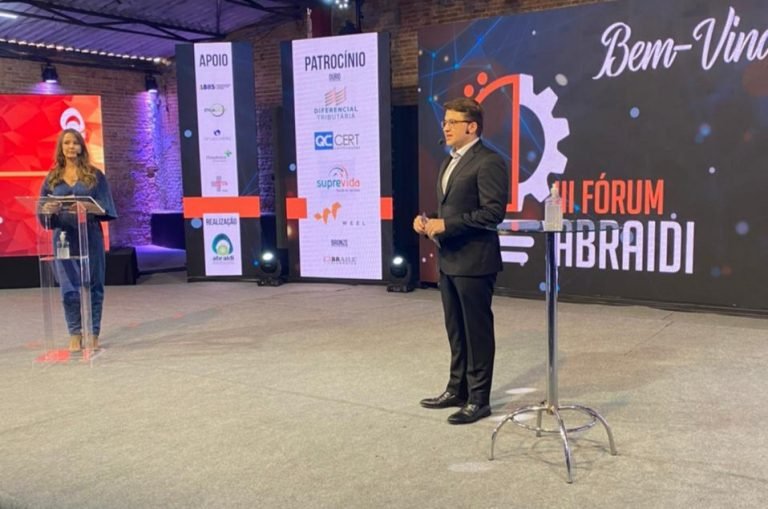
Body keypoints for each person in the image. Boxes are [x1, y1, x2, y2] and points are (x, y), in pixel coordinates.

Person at [413, 97, 508, 425]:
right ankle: (457, 389)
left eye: (452, 122)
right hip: (449, 259)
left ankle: (479, 399)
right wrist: (429, 220)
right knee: (456, 330)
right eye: (444, 122)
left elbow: (493, 213)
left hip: (476, 261)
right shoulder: (448, 161)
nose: (446, 127)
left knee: (476, 332)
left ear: (472, 126)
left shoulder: (489, 161)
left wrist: (447, 224)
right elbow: (452, 209)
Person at [39, 128, 117, 352]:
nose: (71, 147)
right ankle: (74, 332)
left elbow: (106, 208)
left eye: (75, 143)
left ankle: (93, 332)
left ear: (82, 147)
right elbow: (41, 211)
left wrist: (87, 207)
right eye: (66, 143)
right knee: (68, 287)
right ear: (61, 148)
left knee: (94, 285)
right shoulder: (52, 178)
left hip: (90, 235)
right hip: (63, 238)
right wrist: (47, 209)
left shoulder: (94, 176)